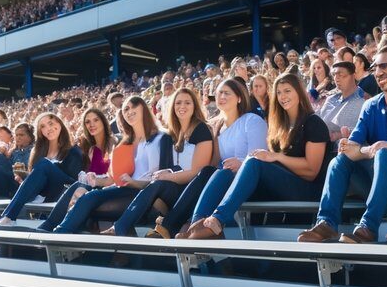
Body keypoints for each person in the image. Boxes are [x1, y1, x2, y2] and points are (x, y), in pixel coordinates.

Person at [297, 46, 387, 244]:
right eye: (375, 67)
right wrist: (366, 150)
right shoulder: (370, 105)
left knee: (385, 155)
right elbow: (348, 148)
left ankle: (368, 228)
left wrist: (365, 150)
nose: (378, 72)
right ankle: (326, 223)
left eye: (385, 65)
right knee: (339, 161)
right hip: (375, 177)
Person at [186, 73, 330, 240]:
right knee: (223, 172)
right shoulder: (279, 126)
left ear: (299, 92)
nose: (282, 96)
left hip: (306, 190)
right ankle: (195, 226)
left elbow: (311, 171)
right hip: (278, 188)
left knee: (253, 162)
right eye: (279, 92)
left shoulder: (313, 122)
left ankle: (217, 220)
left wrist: (275, 157)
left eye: (287, 91)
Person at [150, 78, 266, 239]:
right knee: (208, 171)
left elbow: (258, 157)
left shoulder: (252, 120)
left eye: (227, 93)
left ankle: (174, 225)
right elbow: (214, 164)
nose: (221, 96)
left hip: (250, 180)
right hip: (226, 179)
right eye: (219, 93)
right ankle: (196, 225)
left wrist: (241, 163)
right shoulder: (216, 127)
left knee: (221, 172)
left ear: (239, 98)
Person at [39, 96, 174, 234]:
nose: (129, 111)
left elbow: (163, 177)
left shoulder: (162, 137)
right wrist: (96, 180)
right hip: (125, 189)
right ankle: (57, 232)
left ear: (144, 108)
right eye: (126, 109)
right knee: (86, 197)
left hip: (146, 193)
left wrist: (135, 183)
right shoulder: (126, 143)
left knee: (87, 199)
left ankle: (58, 233)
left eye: (134, 106)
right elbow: (114, 178)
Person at [105, 88, 213, 236]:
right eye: (178, 103)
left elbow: (197, 172)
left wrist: (168, 176)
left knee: (157, 184)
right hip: (175, 188)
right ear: (172, 107)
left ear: (194, 106)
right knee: (155, 184)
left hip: (192, 189)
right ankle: (125, 227)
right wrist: (166, 173)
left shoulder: (201, 129)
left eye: (187, 102)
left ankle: (123, 227)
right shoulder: (171, 133)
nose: (182, 106)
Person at [0, 113, 85, 226]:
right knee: (42, 165)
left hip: (64, 192)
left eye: (51, 123)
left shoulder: (74, 151)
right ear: (40, 132)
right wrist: (26, 179)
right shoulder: (38, 151)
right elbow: (38, 176)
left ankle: (9, 216)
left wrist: (52, 167)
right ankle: (8, 216)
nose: (48, 128)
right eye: (43, 126)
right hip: (41, 194)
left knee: (44, 164)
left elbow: (73, 182)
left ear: (60, 124)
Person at [317, 61, 367, 140]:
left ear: (353, 75)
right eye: (334, 75)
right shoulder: (330, 99)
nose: (336, 78)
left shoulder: (364, 101)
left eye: (341, 75)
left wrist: (340, 135)